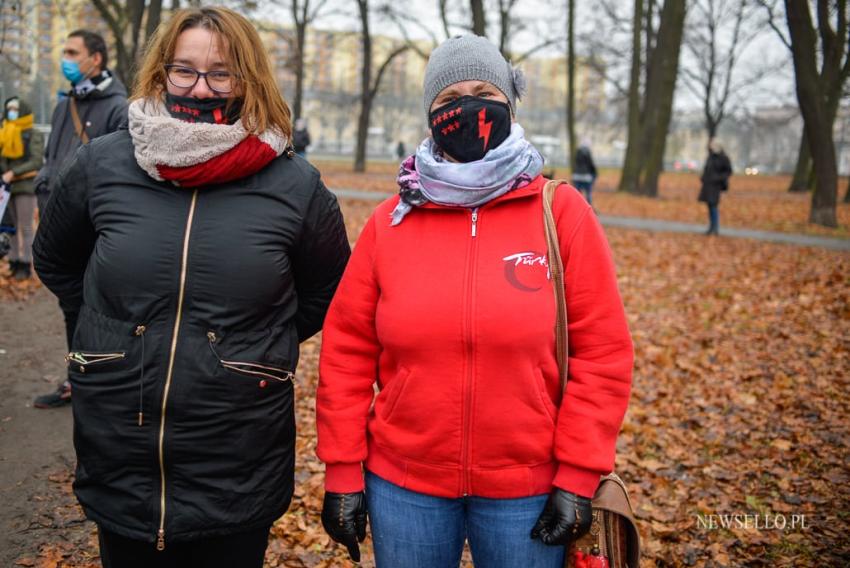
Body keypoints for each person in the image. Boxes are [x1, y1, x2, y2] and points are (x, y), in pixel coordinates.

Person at [32, 7, 350, 567]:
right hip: (120, 446)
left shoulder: (294, 185)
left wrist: (243, 349)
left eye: (221, 73)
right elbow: (58, 261)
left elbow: (324, 292)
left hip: (236, 454)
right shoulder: (103, 164)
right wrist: (115, 334)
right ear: (161, 71)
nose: (201, 88)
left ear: (248, 80)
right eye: (185, 70)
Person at [316, 35, 633, 568]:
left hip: (528, 487)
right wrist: (343, 470)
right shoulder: (391, 221)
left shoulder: (563, 214)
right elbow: (346, 352)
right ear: (429, 114)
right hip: (404, 485)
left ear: (509, 103)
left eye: (483, 91)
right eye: (448, 100)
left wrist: (579, 474)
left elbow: (602, 354)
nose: (467, 108)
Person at [32, 29, 128, 408]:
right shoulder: (63, 104)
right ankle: (78, 379)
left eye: (73, 52)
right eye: (64, 51)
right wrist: (44, 185)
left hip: (96, 230)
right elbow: (50, 159)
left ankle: (103, 383)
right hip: (61, 227)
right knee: (70, 307)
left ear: (96, 59)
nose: (66, 59)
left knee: (103, 310)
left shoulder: (118, 107)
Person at [0, 97, 44, 280]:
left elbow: (36, 160)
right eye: (9, 108)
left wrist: (12, 173)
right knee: (9, 228)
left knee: (25, 227)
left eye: (15, 109)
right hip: (6, 187)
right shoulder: (4, 132)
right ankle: (13, 262)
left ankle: (25, 264)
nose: (11, 112)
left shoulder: (33, 133)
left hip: (25, 186)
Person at [698, 138, 733, 235]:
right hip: (708, 185)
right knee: (710, 206)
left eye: (713, 144)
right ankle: (711, 227)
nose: (711, 146)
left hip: (716, 186)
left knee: (713, 206)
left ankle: (715, 228)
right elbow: (707, 169)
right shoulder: (711, 157)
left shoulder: (723, 158)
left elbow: (728, 171)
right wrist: (703, 178)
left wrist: (718, 178)